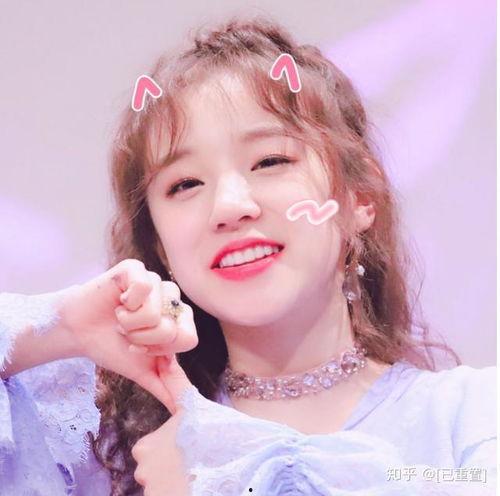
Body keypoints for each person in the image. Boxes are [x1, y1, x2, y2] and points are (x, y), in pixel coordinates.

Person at [0, 14, 496, 496]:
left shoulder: (470, 419)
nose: (230, 206)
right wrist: (60, 328)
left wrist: (227, 476)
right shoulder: (110, 454)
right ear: (159, 245)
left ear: (359, 196)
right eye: (185, 184)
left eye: (270, 161)